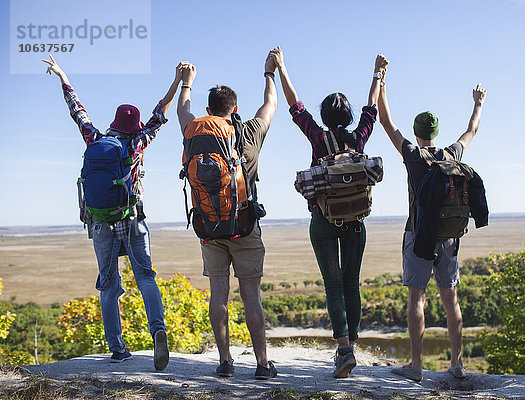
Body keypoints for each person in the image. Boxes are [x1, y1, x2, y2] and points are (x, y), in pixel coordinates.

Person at [42, 54, 180, 370]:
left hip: (101, 222)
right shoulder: (138, 143)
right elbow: (160, 114)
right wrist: (177, 81)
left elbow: (78, 111)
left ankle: (118, 349)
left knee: (108, 284)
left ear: (115, 123)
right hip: (132, 220)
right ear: (135, 126)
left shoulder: (96, 138)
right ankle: (158, 330)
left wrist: (64, 77)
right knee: (145, 277)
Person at [271, 47, 386, 378]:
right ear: (348, 116)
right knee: (352, 283)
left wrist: (281, 68)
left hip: (323, 221)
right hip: (356, 224)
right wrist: (378, 74)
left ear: (324, 115)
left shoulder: (318, 137)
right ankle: (352, 346)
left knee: (333, 283)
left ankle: (344, 349)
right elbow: (372, 109)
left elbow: (295, 107)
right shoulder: (358, 138)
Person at [376, 55, 487, 381]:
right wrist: (477, 103)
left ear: (417, 131)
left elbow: (385, 121)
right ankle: (457, 364)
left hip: (418, 235)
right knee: (451, 299)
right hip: (450, 238)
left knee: (417, 298)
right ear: (436, 132)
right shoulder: (451, 154)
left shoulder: (413, 155)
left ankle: (416, 366)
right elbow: (472, 130)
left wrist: (381, 80)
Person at [176, 52, 278, 380]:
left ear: (209, 111)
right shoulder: (246, 133)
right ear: (234, 109)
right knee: (251, 296)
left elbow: (182, 109)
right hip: (244, 226)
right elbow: (270, 105)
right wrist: (269, 73)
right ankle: (262, 365)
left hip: (207, 226)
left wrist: (186, 82)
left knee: (218, 294)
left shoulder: (193, 129)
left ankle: (225, 361)